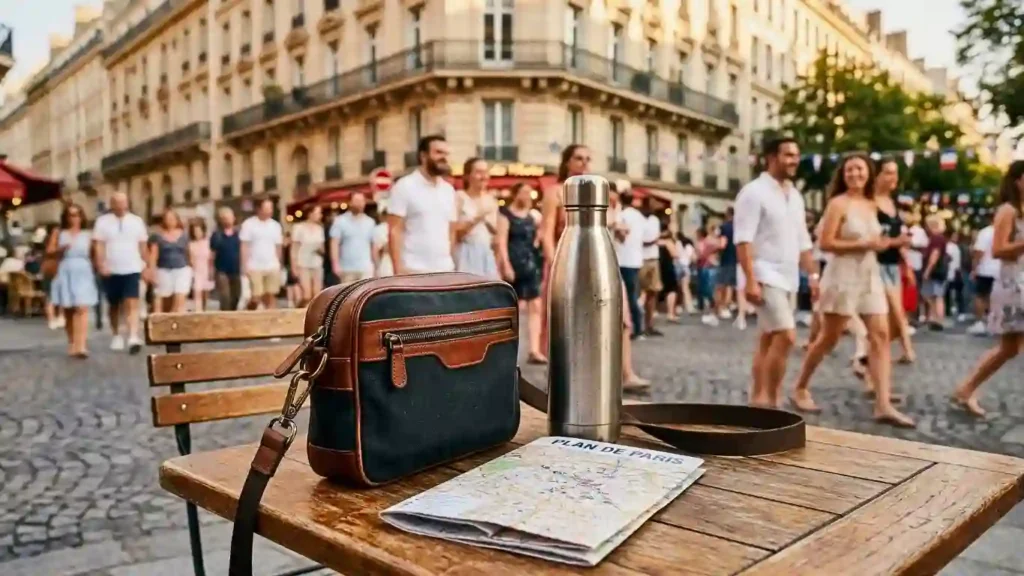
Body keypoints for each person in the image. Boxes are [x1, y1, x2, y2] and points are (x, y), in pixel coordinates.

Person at [790, 152, 913, 427]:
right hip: (842, 276)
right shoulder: (838, 203)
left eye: (859, 169)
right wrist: (866, 245)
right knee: (828, 338)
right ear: (843, 175)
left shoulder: (871, 204)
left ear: (869, 172)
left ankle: (883, 403)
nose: (855, 174)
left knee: (880, 335)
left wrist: (888, 244)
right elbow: (827, 243)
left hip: (869, 274)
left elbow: (874, 240)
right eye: (849, 170)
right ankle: (800, 386)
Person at [734, 137, 817, 409]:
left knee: (768, 337)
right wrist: (749, 280)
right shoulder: (753, 192)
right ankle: (773, 399)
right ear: (771, 157)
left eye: (796, 155)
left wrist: (813, 276)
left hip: (789, 277)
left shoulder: (795, 195)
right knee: (786, 335)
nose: (795, 160)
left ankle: (758, 399)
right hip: (763, 273)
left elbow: (803, 240)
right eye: (789, 155)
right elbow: (743, 239)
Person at [952, 160, 1024, 416]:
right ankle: (966, 388)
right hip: (1013, 286)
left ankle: (966, 388)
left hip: (1021, 283)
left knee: (1009, 349)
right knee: (1009, 348)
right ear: (1018, 180)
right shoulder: (1008, 210)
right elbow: (999, 249)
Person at [388, 135, 457, 274]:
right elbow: (394, 230)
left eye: (446, 153)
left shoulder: (448, 190)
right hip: (413, 270)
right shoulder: (404, 186)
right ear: (423, 156)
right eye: (438, 152)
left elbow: (451, 230)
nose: (444, 157)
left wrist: (450, 261)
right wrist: (398, 270)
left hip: (445, 270)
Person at [873, 156, 916, 365]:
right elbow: (872, 238)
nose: (893, 177)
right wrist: (896, 241)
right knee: (895, 310)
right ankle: (908, 350)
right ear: (877, 175)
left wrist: (905, 263)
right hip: (875, 263)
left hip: (893, 263)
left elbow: (897, 237)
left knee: (895, 315)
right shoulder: (870, 202)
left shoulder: (892, 203)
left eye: (895, 172)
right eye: (888, 172)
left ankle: (871, 352)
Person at [93, 191, 148, 354]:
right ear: (111, 204)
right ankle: (116, 334)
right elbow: (99, 245)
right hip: (111, 269)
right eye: (116, 202)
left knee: (132, 302)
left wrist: (147, 266)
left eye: (123, 202)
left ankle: (133, 336)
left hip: (132, 267)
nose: (120, 205)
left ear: (127, 203)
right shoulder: (102, 222)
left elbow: (143, 245)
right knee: (114, 305)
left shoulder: (137, 221)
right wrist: (101, 264)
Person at [496, 183, 546, 364]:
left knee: (535, 306)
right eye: (523, 192)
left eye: (529, 193)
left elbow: (542, 231)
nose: (527, 196)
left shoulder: (533, 216)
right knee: (512, 308)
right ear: (515, 194)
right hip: (514, 262)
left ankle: (534, 350)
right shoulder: (506, 215)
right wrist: (505, 264)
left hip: (530, 264)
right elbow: (501, 242)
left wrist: (539, 241)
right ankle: (508, 349)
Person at [49, 204, 97, 358]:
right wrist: (60, 250)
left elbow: (95, 253)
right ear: (65, 217)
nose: (74, 218)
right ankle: (72, 342)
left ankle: (81, 345)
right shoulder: (59, 232)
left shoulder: (88, 234)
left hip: (83, 270)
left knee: (82, 307)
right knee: (69, 308)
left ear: (81, 216)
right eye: (70, 215)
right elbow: (49, 251)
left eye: (77, 214)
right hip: (65, 268)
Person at [455, 157, 500, 278]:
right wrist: (478, 217)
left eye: (486, 172)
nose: (484, 176)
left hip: (486, 256)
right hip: (465, 254)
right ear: (467, 176)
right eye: (479, 172)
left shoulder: (492, 200)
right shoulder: (459, 197)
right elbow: (455, 234)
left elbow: (496, 238)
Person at [239, 198, 284, 310]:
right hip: (254, 266)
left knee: (270, 295)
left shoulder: (275, 226)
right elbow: (244, 246)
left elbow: (278, 246)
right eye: (267, 208)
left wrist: (279, 263)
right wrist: (244, 265)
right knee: (256, 296)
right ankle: (248, 312)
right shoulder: (249, 224)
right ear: (258, 209)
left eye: (271, 208)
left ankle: (270, 320)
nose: (270, 211)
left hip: (272, 265)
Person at [614, 189, 647, 339]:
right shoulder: (639, 216)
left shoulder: (621, 215)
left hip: (623, 259)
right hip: (636, 259)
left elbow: (621, 236)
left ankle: (635, 327)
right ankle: (637, 326)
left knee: (626, 296)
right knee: (633, 294)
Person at [147, 209, 193, 314]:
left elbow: (188, 252)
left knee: (180, 295)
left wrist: (193, 268)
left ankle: (176, 320)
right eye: (168, 219)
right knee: (162, 297)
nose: (170, 221)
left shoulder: (184, 235)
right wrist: (152, 272)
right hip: (163, 269)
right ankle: (159, 320)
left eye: (172, 219)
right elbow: (154, 255)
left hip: (182, 268)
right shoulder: (157, 236)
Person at [330, 192, 377, 284]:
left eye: (361, 201)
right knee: (348, 296)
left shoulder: (370, 222)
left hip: (366, 267)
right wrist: (335, 264)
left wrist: (375, 265)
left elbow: (373, 245)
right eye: (356, 201)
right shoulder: (340, 221)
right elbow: (334, 243)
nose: (359, 204)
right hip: (347, 268)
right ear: (350, 202)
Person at [968, 222, 1000, 336]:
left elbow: (979, 252)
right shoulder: (1009, 231)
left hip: (986, 269)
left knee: (981, 296)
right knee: (996, 298)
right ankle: (995, 323)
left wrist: (974, 268)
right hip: (1002, 270)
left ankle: (980, 322)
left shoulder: (985, 232)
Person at [638, 197, 663, 336]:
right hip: (641, 259)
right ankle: (638, 324)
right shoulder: (639, 219)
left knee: (653, 292)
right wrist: (653, 241)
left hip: (653, 258)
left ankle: (649, 324)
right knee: (639, 293)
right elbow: (644, 240)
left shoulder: (655, 220)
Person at [291, 205, 325, 306]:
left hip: (317, 264)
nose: (320, 215)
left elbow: (322, 249)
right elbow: (294, 248)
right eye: (318, 213)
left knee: (317, 295)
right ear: (310, 214)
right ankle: (298, 309)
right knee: (306, 295)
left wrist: (319, 250)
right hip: (303, 263)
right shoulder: (298, 228)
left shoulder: (320, 229)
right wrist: (294, 266)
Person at [209, 207, 242, 311]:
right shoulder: (217, 235)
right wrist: (211, 270)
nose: (227, 220)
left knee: (236, 296)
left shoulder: (239, 234)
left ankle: (233, 316)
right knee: (225, 297)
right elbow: (212, 254)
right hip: (221, 270)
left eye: (229, 217)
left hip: (236, 269)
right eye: (224, 218)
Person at [921, 214, 949, 330]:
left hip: (935, 271)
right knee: (934, 295)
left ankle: (937, 318)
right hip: (939, 271)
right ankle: (935, 318)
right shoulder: (940, 238)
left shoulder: (936, 238)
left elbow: (935, 254)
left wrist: (927, 270)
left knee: (935, 295)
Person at [716, 207, 738, 321]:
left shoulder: (724, 227)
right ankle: (727, 307)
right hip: (735, 258)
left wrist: (716, 250)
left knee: (721, 285)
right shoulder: (739, 227)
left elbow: (722, 244)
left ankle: (721, 308)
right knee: (730, 285)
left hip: (725, 259)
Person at [188, 218, 213, 312]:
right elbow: (190, 259)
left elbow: (211, 258)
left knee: (205, 294)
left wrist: (211, 271)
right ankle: (198, 311)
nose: (197, 233)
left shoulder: (208, 242)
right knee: (197, 292)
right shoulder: (191, 244)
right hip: (196, 271)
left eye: (199, 231)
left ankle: (204, 311)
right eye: (195, 231)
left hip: (206, 269)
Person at [372, 208, 392, 277]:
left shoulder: (379, 229)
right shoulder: (400, 228)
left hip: (385, 265)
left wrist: (376, 268)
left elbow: (375, 251)